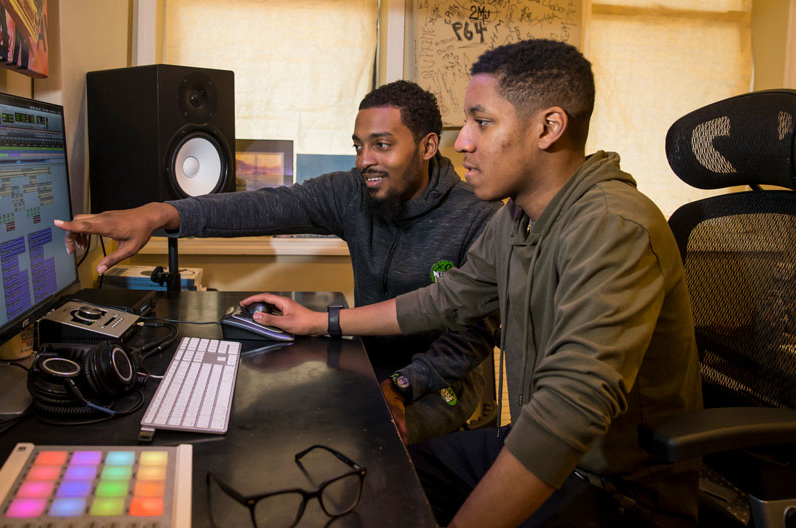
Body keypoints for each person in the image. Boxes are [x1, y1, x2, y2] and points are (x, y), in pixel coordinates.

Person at [241, 39, 703, 527]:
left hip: (617, 489)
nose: (461, 143)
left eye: (482, 123)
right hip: (535, 444)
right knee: (370, 480)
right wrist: (322, 321)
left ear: (549, 127)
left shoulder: (613, 227)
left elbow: (571, 408)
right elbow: (446, 299)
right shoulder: (518, 219)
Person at [55, 80, 503, 444]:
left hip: (438, 381)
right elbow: (264, 207)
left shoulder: (477, 216)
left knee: (383, 444)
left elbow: (469, 341)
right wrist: (160, 214)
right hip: (367, 357)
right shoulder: (354, 192)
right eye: (358, 145)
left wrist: (405, 385)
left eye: (382, 145)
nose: (366, 160)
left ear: (427, 147)